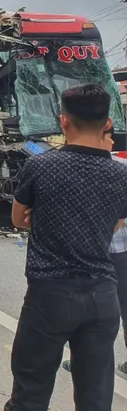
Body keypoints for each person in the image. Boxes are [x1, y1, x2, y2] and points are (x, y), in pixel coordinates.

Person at [5, 84, 127, 411]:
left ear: (63, 120)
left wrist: (46, 221)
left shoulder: (41, 165)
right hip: (102, 297)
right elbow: (115, 226)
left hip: (49, 297)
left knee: (30, 394)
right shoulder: (121, 174)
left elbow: (17, 218)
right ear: (107, 122)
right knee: (95, 403)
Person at [62, 126, 127, 378]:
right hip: (120, 249)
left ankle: (83, 360)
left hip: (90, 251)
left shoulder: (69, 168)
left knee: (85, 305)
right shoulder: (121, 168)